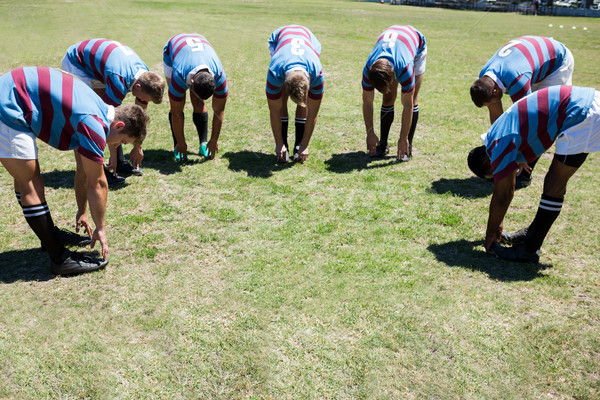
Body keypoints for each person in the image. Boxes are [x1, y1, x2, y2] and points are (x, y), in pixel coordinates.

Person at [0, 67, 148, 275]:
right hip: (7, 102)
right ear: (119, 125)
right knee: (29, 182)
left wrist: (83, 211)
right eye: (122, 141)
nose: (116, 146)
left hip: (12, 91)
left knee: (28, 177)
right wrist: (101, 228)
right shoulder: (93, 123)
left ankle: (50, 236)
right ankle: (59, 258)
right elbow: (98, 182)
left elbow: (84, 173)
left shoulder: (100, 108)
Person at [467, 85, 600, 263]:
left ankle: (529, 249)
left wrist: (491, 233)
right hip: (585, 103)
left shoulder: (499, 145)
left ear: (487, 162)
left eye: (493, 174)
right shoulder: (495, 135)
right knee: (554, 182)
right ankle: (531, 236)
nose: (498, 175)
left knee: (554, 183)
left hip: (581, 115)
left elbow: (504, 194)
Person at [470, 36, 574, 187]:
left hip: (558, 63)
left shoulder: (518, 81)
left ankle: (524, 174)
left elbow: (529, 122)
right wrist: (499, 145)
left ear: (494, 90)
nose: (494, 105)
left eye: (493, 101)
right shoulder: (485, 78)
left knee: (545, 119)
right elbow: (498, 117)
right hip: (533, 60)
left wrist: (522, 156)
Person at [62, 38, 164, 185]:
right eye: (143, 98)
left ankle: (121, 161)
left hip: (100, 66)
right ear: (138, 87)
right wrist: (113, 157)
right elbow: (109, 121)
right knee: (92, 118)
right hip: (77, 63)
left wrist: (138, 146)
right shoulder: (119, 81)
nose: (142, 100)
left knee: (108, 115)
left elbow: (139, 115)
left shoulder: (145, 76)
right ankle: (99, 168)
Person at [362, 25, 426, 161]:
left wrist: (403, 138)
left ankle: (408, 146)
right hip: (394, 39)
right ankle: (383, 144)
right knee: (388, 98)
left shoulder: (405, 68)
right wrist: (370, 132)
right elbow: (367, 101)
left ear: (393, 75)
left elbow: (407, 107)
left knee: (412, 99)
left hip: (415, 42)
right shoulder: (369, 69)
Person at [163, 33, 228, 162]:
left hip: (200, 42)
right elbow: (177, 113)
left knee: (198, 103)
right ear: (192, 82)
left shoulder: (220, 76)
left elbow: (219, 111)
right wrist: (182, 143)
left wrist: (213, 140)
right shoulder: (179, 75)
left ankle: (203, 143)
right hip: (173, 47)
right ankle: (177, 145)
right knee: (176, 104)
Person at [266, 25, 324, 163]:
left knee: (304, 103)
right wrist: (279, 143)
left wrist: (305, 145)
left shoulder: (317, 72)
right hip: (280, 37)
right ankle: (284, 144)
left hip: (308, 38)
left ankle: (298, 144)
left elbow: (313, 112)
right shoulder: (275, 72)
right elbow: (274, 111)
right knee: (281, 100)